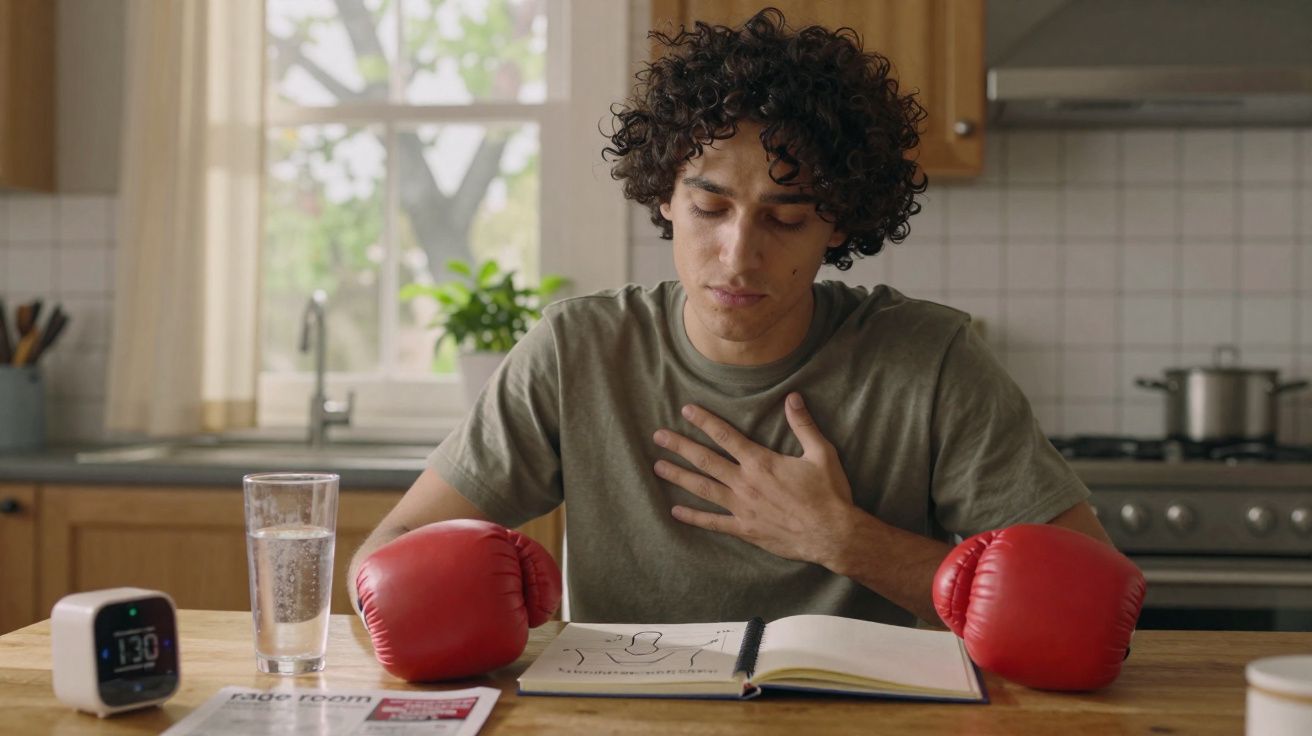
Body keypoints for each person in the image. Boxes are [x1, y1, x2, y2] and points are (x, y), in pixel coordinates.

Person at [348, 7, 1110, 629]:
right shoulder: (577, 351)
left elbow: (1092, 606)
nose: (738, 255)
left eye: (786, 219)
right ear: (663, 198)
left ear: (838, 224)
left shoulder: (931, 361)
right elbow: (382, 559)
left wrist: (845, 541)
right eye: (710, 208)